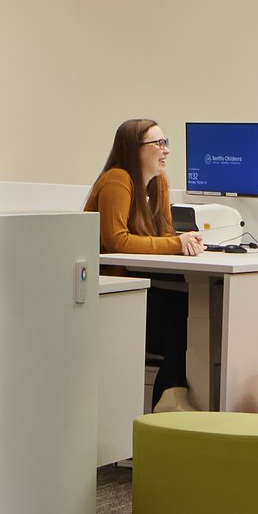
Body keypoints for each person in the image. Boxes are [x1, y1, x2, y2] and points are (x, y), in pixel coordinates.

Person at [85, 116, 206, 409]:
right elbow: (117, 241)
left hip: (133, 287)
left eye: (166, 143)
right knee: (181, 314)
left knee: (189, 309)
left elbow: (165, 234)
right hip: (106, 294)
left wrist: (184, 241)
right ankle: (171, 398)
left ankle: (171, 396)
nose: (166, 150)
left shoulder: (158, 184)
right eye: (158, 144)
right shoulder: (117, 178)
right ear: (135, 149)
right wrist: (177, 243)